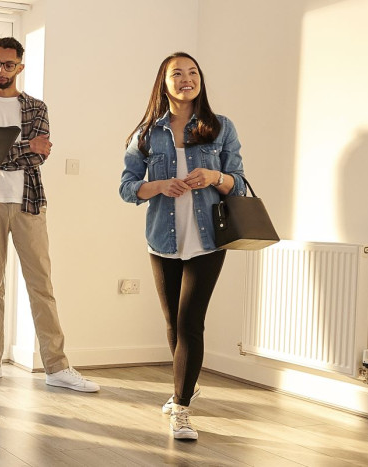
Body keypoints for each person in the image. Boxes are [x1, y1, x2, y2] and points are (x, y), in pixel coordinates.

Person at [119, 52, 246, 439]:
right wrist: (158, 185)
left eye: (193, 73)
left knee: (191, 322)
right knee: (174, 324)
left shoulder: (220, 127)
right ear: (164, 82)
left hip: (208, 239)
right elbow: (127, 188)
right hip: (162, 239)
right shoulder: (145, 134)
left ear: (200, 81)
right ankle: (186, 384)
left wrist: (214, 175)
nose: (187, 79)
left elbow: (238, 183)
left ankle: (181, 407)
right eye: (178, 73)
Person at [0, 37, 99, 393]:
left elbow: (39, 156)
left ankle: (56, 366)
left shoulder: (36, 108)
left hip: (28, 204)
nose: (0, 70)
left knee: (42, 286)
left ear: (20, 67)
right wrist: (19, 147)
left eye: (8, 64)